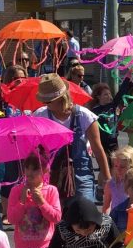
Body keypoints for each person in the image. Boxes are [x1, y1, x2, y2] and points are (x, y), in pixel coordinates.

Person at [34, 74, 110, 207]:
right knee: (57, 218)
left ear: (60, 98)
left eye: (48, 101)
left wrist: (107, 178)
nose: (45, 104)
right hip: (52, 174)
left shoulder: (84, 115)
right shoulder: (41, 115)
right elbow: (36, 149)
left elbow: (97, 149)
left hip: (82, 174)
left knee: (84, 213)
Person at [90, 82, 119, 156]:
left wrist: (128, 77)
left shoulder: (113, 106)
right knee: (105, 166)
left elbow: (121, 92)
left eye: (109, 94)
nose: (109, 96)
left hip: (114, 143)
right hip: (101, 145)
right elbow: (91, 130)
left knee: (115, 166)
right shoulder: (94, 111)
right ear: (98, 97)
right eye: (106, 94)